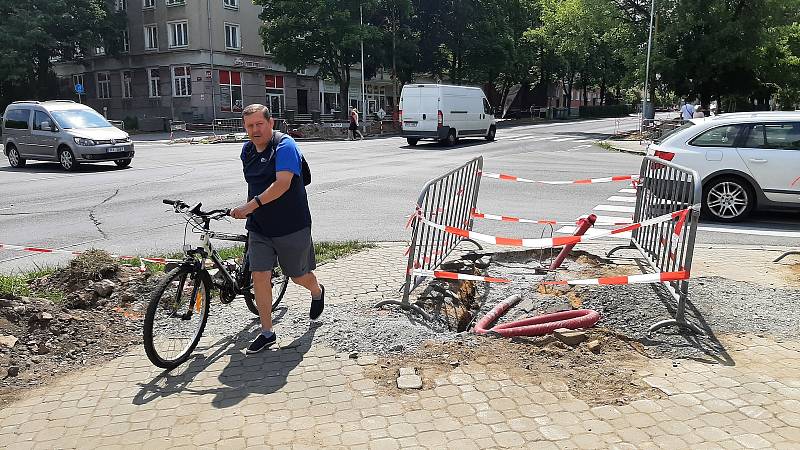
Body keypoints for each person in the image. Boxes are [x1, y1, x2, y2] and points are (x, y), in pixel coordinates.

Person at [231, 104, 325, 354]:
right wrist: (252, 210)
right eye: (249, 126)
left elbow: (282, 184)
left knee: (298, 276)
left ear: (271, 123)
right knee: (259, 275)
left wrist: (250, 206)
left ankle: (316, 290)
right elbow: (255, 183)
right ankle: (267, 332)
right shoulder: (247, 150)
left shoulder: (286, 146)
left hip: (291, 225)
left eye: (259, 124)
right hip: (260, 227)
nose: (254, 130)